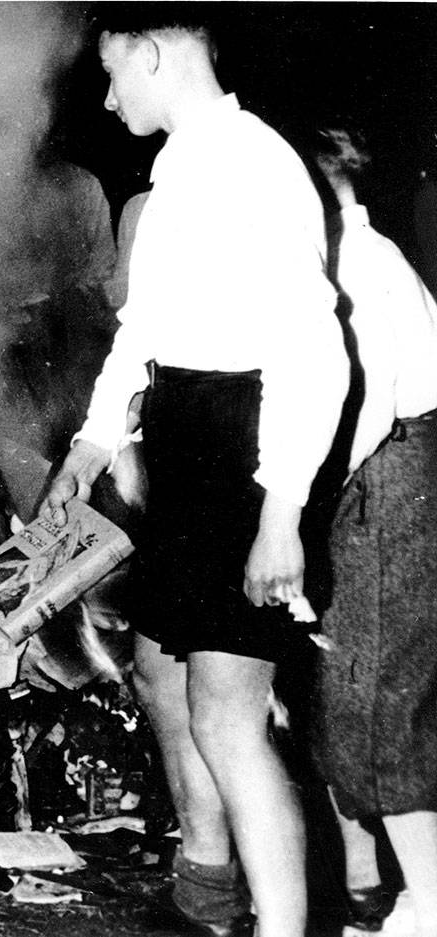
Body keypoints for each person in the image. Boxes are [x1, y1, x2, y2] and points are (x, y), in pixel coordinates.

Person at [41, 8, 347, 937]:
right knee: (163, 680)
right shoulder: (181, 166)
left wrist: (282, 512)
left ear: (153, 54)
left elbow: (316, 351)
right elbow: (145, 328)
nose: (106, 95)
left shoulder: (254, 163)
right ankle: (207, 892)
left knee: (227, 714)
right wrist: (93, 440)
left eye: (111, 73)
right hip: (181, 436)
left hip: (242, 452)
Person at [310, 125, 437, 937]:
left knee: (384, 705)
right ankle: (379, 891)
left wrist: (305, 499)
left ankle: (429, 906)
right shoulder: (360, 253)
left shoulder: (361, 264)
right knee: (352, 689)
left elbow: (368, 404)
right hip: (383, 476)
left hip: (389, 479)